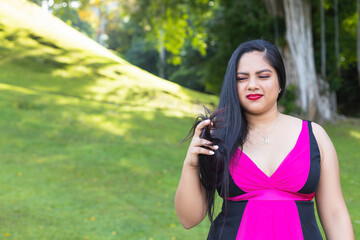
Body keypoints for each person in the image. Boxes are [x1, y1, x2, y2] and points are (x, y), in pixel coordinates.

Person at [174, 39, 355, 239]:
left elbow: (335, 215)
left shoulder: (315, 136)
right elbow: (188, 219)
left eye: (263, 76)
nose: (252, 85)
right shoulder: (217, 138)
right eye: (242, 78)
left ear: (280, 82)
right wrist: (190, 165)